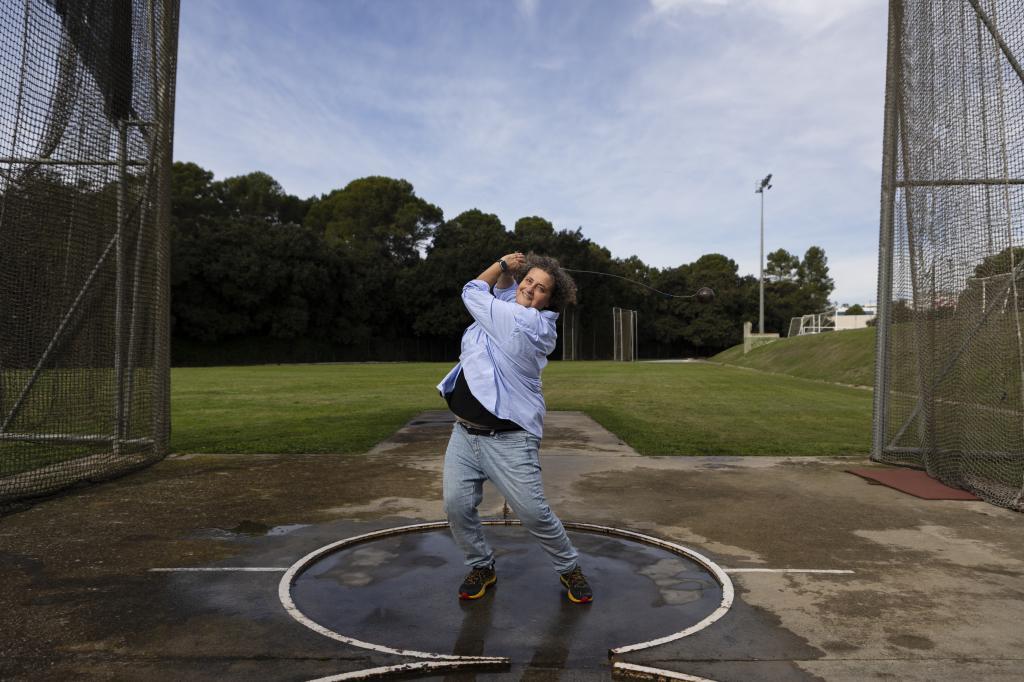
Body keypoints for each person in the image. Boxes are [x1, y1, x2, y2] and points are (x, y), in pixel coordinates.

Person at [437, 251, 594, 604]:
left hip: (509, 439)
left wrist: (502, 265)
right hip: (464, 434)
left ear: (549, 302)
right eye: (529, 281)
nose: (531, 289)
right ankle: (481, 565)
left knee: (533, 513)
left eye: (541, 289)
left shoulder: (529, 325)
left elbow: (473, 290)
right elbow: (507, 290)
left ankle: (570, 568)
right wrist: (511, 277)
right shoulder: (512, 305)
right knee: (456, 506)